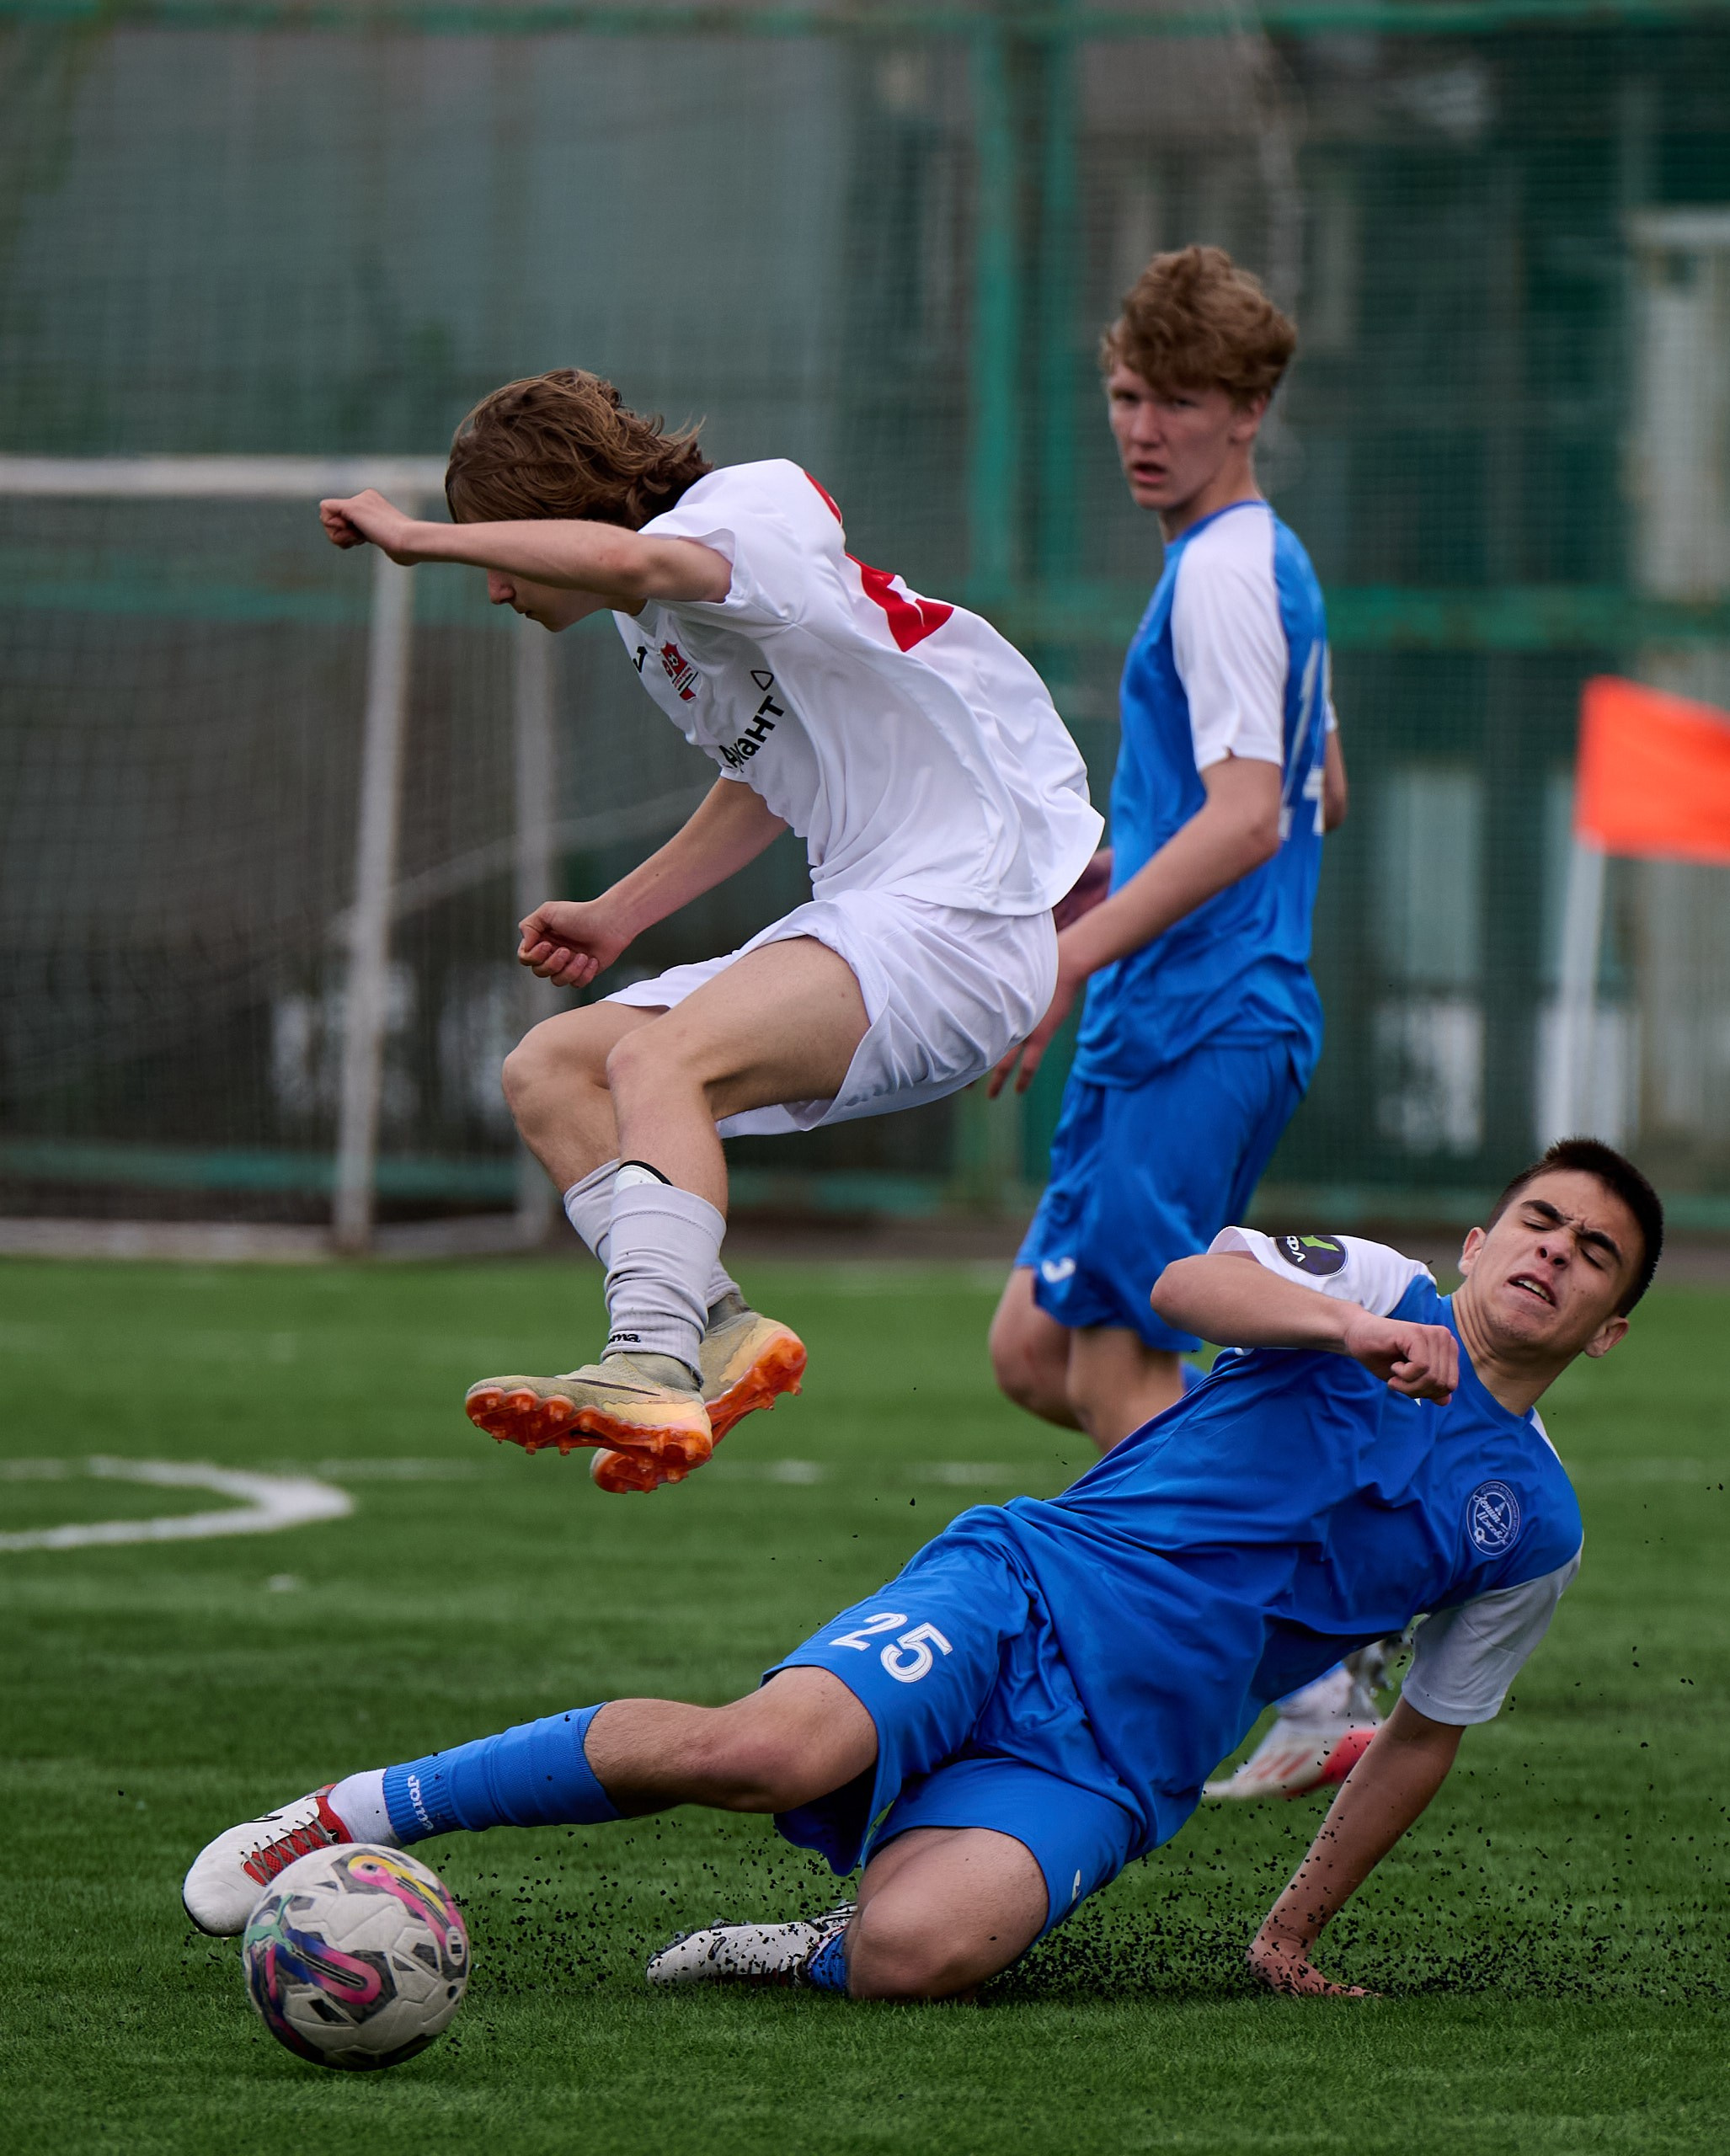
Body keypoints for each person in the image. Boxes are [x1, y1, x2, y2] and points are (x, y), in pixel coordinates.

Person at [184, 1139, 1661, 2001]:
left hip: (1129, 1753)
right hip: (1026, 1590)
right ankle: (338, 1818)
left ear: (1605, 1331)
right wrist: (1348, 1328)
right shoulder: (1373, 1285)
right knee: (761, 1754)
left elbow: (1420, 1736)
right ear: (1479, 1241)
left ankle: (813, 1944)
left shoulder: (1532, 1525)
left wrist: (1287, 1932)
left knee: (919, 1957)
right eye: (1537, 1222)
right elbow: (1180, 1285)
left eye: (1592, 1254)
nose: (1553, 1253)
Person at [317, 371, 1101, 1492]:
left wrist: (419, 538)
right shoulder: (652, 634)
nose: (494, 583)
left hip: (960, 916)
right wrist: (618, 913)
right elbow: (763, 779)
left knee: (658, 1063)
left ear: (558, 514)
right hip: (888, 914)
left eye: (502, 545)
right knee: (552, 1071)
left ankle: (646, 1358)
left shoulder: (746, 510)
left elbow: (640, 561)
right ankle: (720, 1333)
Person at [989, 245, 1348, 1457]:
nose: (1143, 431)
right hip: (1175, 1008)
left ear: (1249, 410)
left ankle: (1318, 1563)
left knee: (1114, 1377)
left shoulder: (1225, 574)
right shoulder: (1256, 559)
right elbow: (1322, 792)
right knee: (1033, 1351)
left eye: (1180, 402)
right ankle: (1294, 1512)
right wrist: (1130, 866)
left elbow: (1249, 818)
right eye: (1127, 396)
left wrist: (1069, 956)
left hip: (1201, 1015)